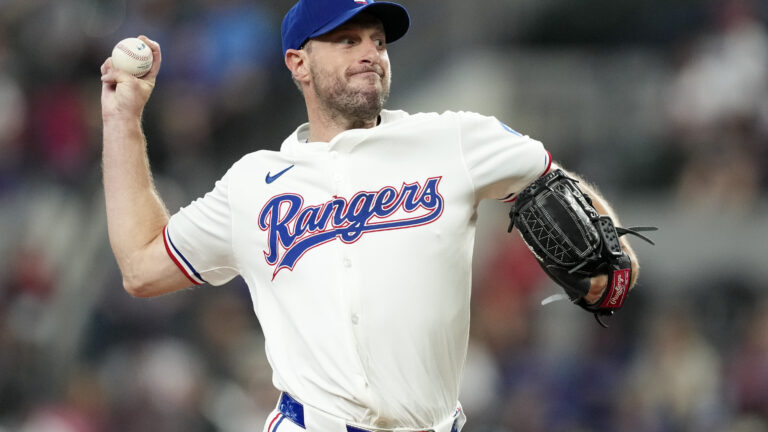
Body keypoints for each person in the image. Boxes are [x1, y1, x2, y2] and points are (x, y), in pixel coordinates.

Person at [99, 0, 639, 431]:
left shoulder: (453, 139)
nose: (370, 53)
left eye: (378, 41)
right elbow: (142, 266)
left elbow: (556, 185)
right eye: (346, 39)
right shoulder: (254, 184)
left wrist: (612, 256)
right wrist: (123, 119)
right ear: (298, 63)